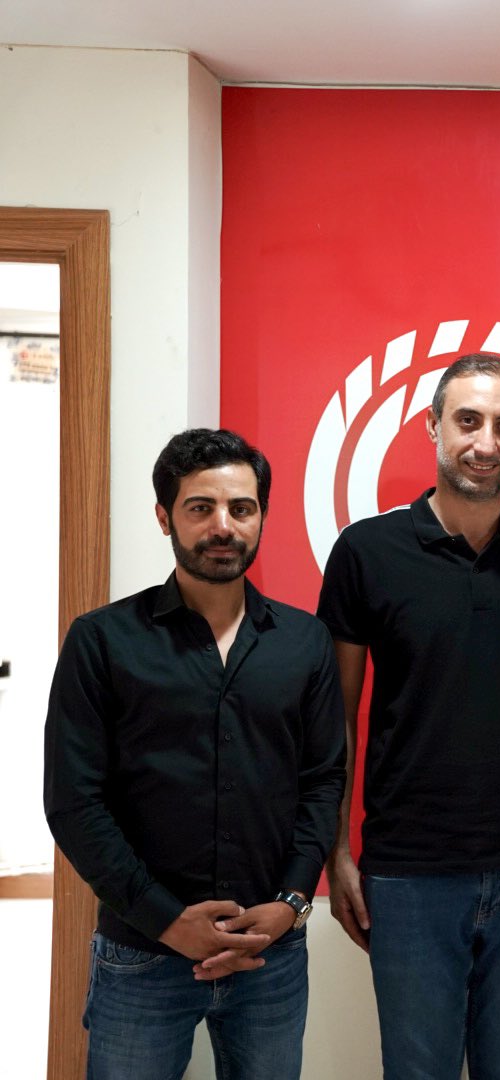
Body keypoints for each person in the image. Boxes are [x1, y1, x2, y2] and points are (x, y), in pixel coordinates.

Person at [316, 353, 500, 1078]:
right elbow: (335, 718)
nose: (486, 443)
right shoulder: (366, 552)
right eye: (469, 421)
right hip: (409, 874)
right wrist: (335, 851)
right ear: (433, 427)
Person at [44, 428, 345, 1080]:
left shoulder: (305, 642)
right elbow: (73, 800)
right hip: (142, 956)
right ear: (165, 517)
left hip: (271, 954)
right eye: (200, 507)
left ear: (261, 516)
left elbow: (323, 781)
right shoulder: (102, 641)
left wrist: (291, 902)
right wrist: (166, 920)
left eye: (241, 508)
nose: (223, 526)